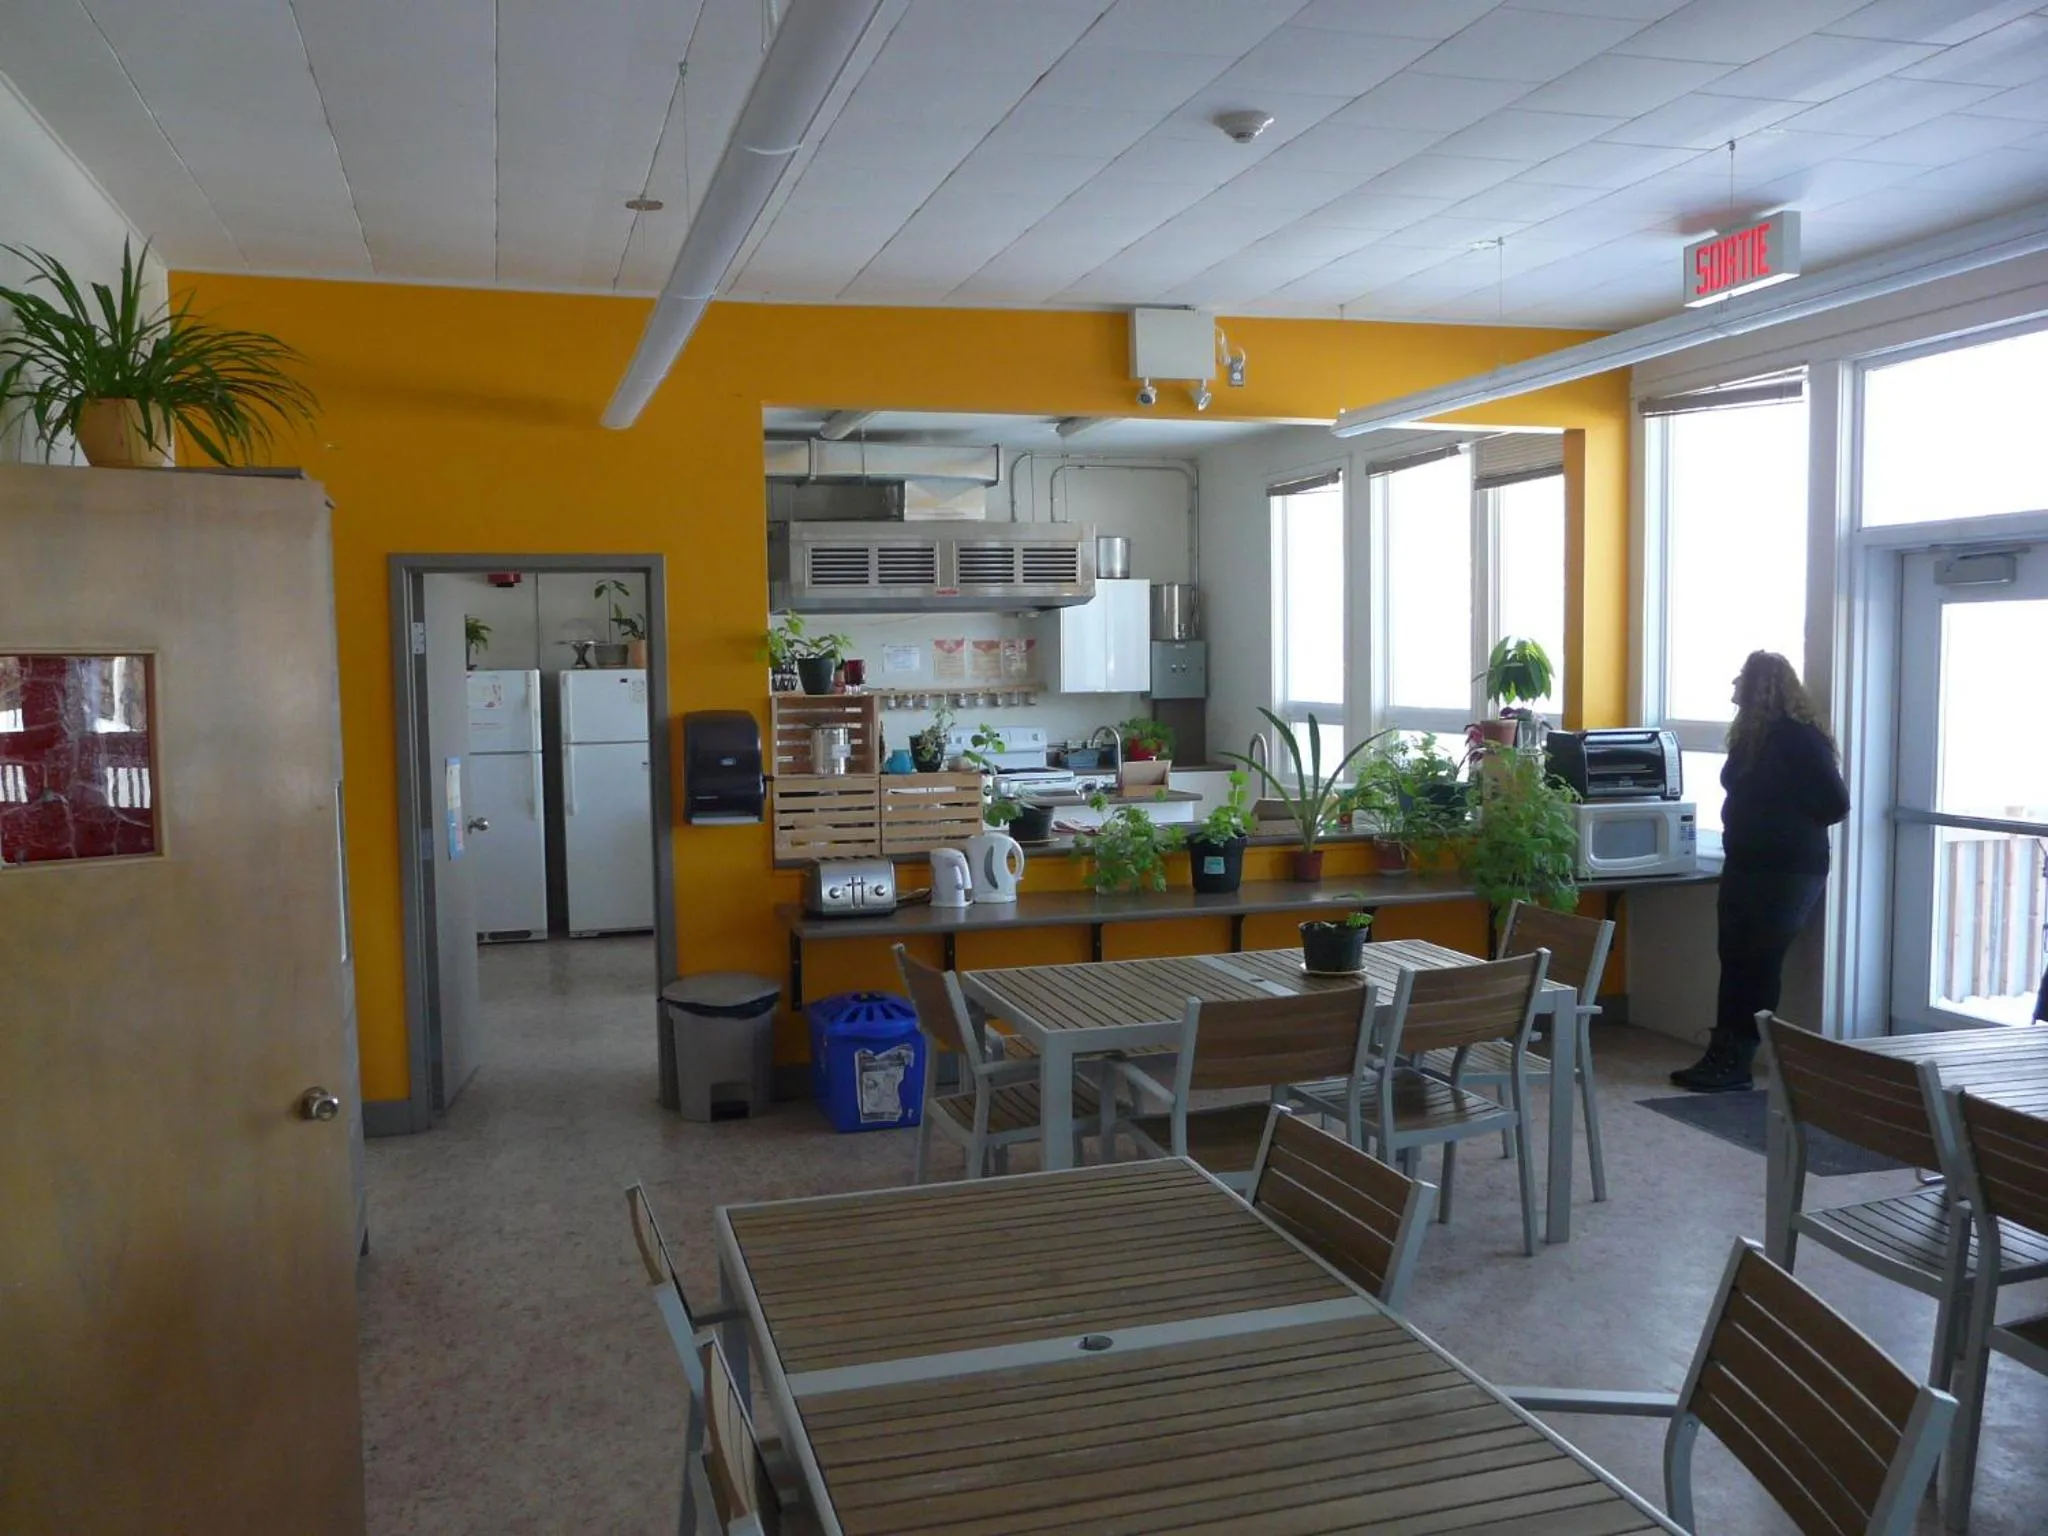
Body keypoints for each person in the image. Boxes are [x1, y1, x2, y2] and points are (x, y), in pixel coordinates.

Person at [1672, 651, 1850, 1092]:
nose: (1734, 686)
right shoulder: (1753, 739)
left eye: (1741, 680)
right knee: (1734, 956)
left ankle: (1740, 1059)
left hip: (1788, 869)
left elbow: (1835, 803)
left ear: (1761, 689)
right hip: (1746, 864)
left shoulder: (1799, 738)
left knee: (1759, 960)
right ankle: (1722, 1050)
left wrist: (1781, 818)